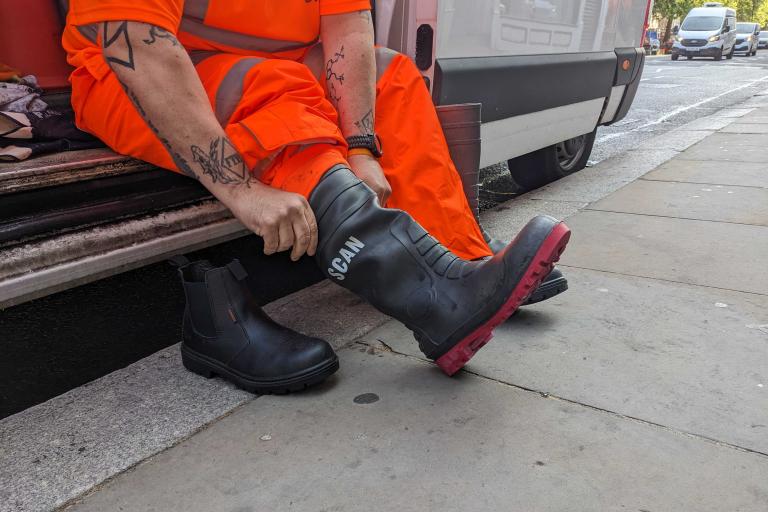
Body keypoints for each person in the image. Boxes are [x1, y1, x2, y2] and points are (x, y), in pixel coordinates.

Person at [61, 0, 571, 393]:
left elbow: (347, 30)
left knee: (391, 72)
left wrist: (361, 148)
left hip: (263, 63)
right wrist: (242, 190)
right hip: (133, 74)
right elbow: (138, 43)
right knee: (270, 84)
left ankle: (459, 260)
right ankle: (433, 298)